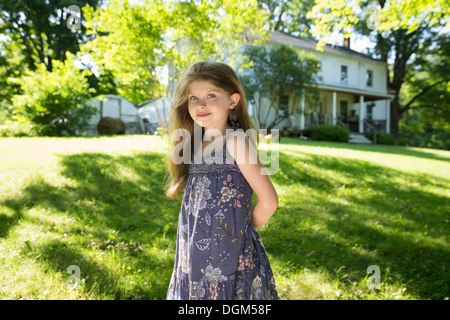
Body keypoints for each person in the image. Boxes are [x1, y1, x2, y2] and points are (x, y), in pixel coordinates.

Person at [165, 61, 278, 300]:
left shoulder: (235, 141)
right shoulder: (195, 144)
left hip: (229, 254)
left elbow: (269, 201)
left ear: (233, 101)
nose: (201, 104)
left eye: (211, 95)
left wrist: (244, 232)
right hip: (194, 251)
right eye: (193, 98)